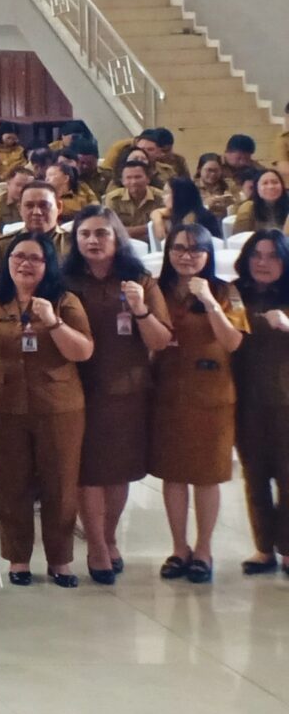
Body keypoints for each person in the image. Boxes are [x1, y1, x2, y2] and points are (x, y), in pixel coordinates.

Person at [0, 232, 94, 585]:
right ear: (8, 262)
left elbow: (83, 351)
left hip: (58, 406)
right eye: (18, 256)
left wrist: (53, 321)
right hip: (4, 405)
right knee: (11, 483)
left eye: (35, 258)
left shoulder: (64, 300)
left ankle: (60, 560)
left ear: (48, 264)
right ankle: (18, 559)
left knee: (60, 485)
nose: (25, 264)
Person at [63, 208, 166, 584]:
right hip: (78, 389)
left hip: (127, 389)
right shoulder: (64, 282)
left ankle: (108, 536)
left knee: (118, 470)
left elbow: (161, 340)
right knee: (89, 470)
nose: (93, 240)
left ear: (117, 237)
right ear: (75, 240)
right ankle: (96, 546)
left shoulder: (140, 279)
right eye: (85, 234)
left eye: (101, 233)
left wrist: (140, 309)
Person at [151, 222, 245, 583]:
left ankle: (204, 549)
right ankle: (179, 548)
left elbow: (233, 341)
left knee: (207, 475)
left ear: (208, 254)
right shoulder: (156, 289)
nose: (186, 256)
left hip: (212, 394)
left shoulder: (226, 290)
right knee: (173, 473)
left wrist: (209, 302)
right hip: (167, 393)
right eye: (178, 248)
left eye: (195, 249)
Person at [236, 232, 289, 574]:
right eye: (257, 255)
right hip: (246, 400)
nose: (263, 262)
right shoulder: (235, 294)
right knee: (254, 476)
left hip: (286, 402)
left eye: (272, 256)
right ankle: (263, 548)